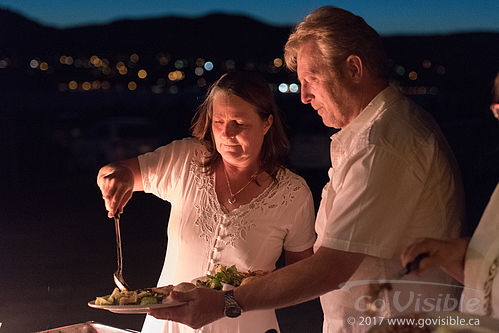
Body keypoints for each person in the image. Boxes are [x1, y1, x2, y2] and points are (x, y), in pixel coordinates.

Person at [150, 6, 465, 333]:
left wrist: (227, 302)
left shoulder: (383, 144)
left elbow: (331, 267)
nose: (303, 96)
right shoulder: (372, 134)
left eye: (311, 79)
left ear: (354, 68)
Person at [97, 71, 316, 333]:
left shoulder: (293, 193)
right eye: (218, 121)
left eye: (239, 123)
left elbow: (303, 278)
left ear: (267, 123)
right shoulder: (186, 160)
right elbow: (116, 171)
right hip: (169, 326)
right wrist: (115, 179)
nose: (226, 133)